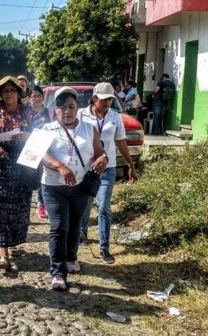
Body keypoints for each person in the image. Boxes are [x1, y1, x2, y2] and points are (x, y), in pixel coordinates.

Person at [41, 87, 107, 291]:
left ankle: (71, 257)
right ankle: (58, 273)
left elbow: (100, 152)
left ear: (78, 107)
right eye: (61, 107)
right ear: (55, 110)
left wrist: (102, 160)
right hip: (53, 187)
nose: (67, 111)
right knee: (59, 227)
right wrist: (60, 167)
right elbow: (40, 155)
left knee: (74, 224)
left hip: (80, 186)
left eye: (71, 106)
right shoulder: (47, 129)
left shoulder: (89, 128)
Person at [0, 75, 42, 270]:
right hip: (0, 164)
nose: (9, 94)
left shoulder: (30, 114)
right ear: (0, 94)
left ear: (18, 93)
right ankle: (3, 254)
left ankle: (13, 243)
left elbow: (44, 134)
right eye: (6, 91)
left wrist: (29, 135)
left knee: (18, 209)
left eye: (12, 90)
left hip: (24, 164)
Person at [78, 82, 137, 264]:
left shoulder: (115, 117)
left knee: (104, 207)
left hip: (107, 169)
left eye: (110, 99)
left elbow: (120, 142)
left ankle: (104, 247)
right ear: (94, 98)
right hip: (86, 168)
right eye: (104, 99)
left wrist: (130, 165)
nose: (107, 103)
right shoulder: (81, 115)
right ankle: (82, 232)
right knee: (85, 205)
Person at [29, 85, 52, 218]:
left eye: (38, 95)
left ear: (43, 98)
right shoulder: (26, 113)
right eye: (33, 96)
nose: (36, 98)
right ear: (29, 99)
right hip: (30, 149)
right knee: (31, 177)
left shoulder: (50, 112)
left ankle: (41, 204)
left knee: (44, 176)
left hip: (47, 149)